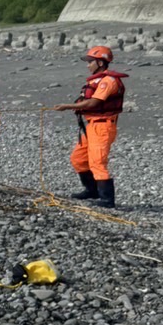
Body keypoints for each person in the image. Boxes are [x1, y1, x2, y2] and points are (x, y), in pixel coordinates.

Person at [52, 45, 126, 208]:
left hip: (103, 127)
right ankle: (91, 190)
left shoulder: (108, 81)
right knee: (78, 158)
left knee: (97, 162)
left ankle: (107, 199)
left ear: (100, 63)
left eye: (90, 62)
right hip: (92, 126)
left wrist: (67, 106)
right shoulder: (97, 80)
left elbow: (94, 103)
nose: (88, 65)